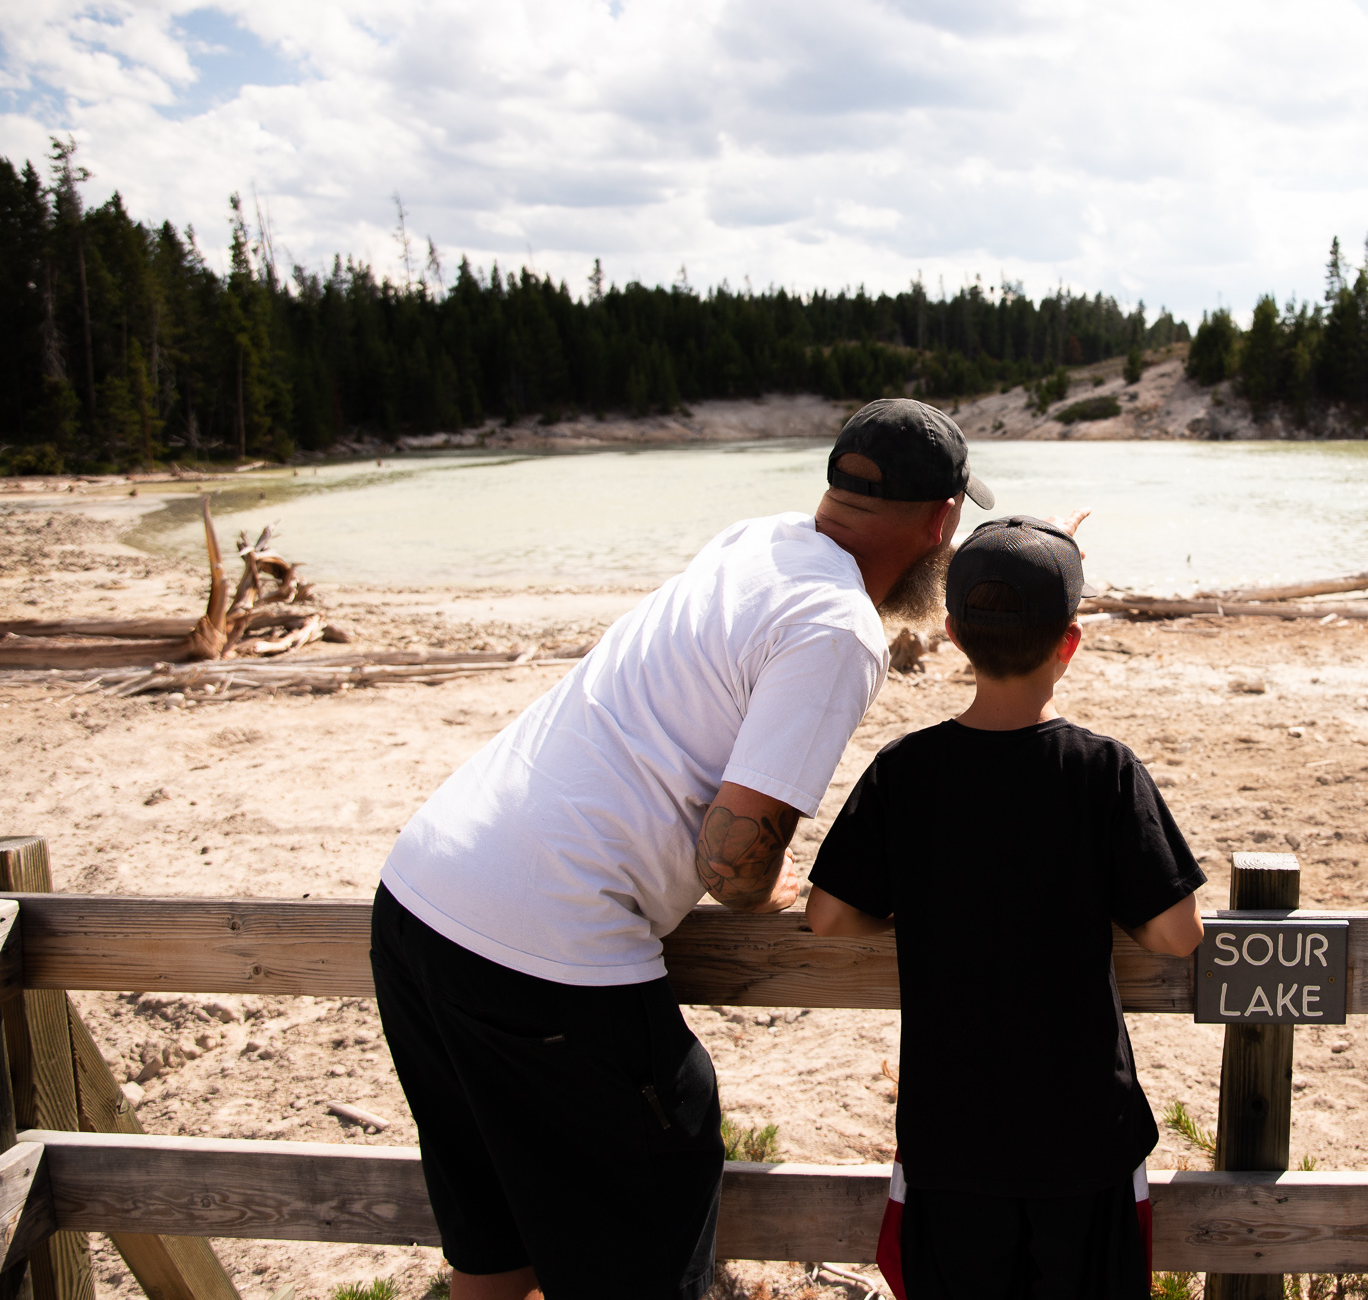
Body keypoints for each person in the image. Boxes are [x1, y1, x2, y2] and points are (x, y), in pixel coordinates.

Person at [370, 399, 994, 1300]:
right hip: (545, 944)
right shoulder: (836, 629)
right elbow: (731, 871)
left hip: (420, 896)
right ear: (942, 523)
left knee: (493, 1227)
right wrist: (773, 891)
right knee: (664, 1166)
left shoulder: (757, 539)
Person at [805, 515, 1207, 1300]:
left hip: (949, 1141)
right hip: (1082, 1141)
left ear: (952, 635)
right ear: (1072, 642)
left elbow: (829, 916)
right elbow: (1176, 933)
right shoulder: (1102, 772)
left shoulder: (906, 772)